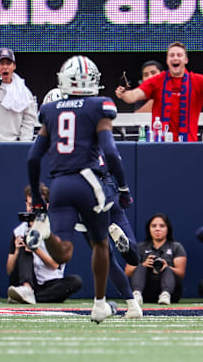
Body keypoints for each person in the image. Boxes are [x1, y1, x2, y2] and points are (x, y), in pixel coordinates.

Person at [27, 55, 132, 323]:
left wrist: (38, 199)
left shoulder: (50, 110)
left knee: (63, 251)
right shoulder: (99, 105)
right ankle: (99, 304)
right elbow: (111, 151)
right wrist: (122, 187)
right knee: (100, 244)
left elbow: (32, 158)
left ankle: (46, 232)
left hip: (60, 184)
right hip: (89, 181)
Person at [40, 88, 142, 318]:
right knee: (132, 256)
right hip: (106, 188)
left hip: (82, 194)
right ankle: (134, 305)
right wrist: (123, 189)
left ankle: (127, 303)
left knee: (103, 253)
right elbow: (112, 155)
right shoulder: (92, 120)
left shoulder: (61, 132)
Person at [115, 41, 203, 141]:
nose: (175, 58)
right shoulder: (157, 81)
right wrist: (124, 94)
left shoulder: (197, 81)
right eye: (172, 55)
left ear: (185, 60)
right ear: (167, 60)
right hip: (160, 144)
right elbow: (134, 96)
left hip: (188, 146)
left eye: (179, 55)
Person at [7, 184, 82, 304]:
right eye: (30, 205)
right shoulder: (19, 231)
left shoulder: (56, 229)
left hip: (50, 282)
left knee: (75, 281)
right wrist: (16, 251)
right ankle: (26, 290)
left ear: (46, 205)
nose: (32, 209)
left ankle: (31, 298)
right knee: (23, 246)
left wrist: (35, 249)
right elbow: (9, 270)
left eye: (36, 206)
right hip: (26, 280)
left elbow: (54, 265)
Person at [124, 213, 187, 305]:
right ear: (149, 228)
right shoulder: (141, 247)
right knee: (140, 267)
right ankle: (136, 294)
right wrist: (144, 264)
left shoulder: (176, 247)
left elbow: (181, 273)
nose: (157, 229)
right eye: (153, 226)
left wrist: (166, 266)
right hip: (146, 289)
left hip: (171, 291)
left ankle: (165, 294)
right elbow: (127, 272)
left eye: (162, 226)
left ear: (168, 228)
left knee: (168, 269)